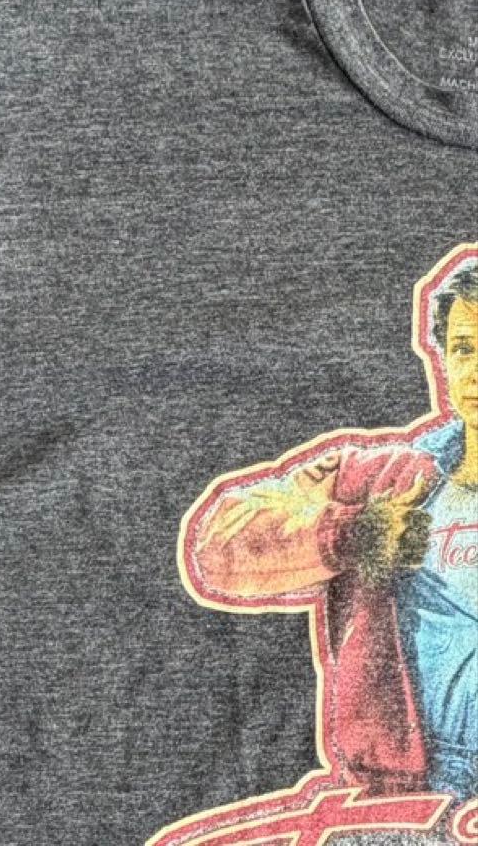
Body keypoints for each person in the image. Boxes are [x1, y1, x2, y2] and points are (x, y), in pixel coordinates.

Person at [184, 252, 477, 802]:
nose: (477, 371)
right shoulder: (381, 478)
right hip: (412, 792)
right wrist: (352, 535)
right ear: (440, 357)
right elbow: (219, 543)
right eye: (464, 348)